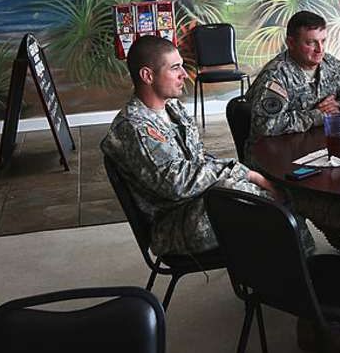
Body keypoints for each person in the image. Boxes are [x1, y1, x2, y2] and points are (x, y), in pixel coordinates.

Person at [100, 35, 282, 258]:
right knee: (256, 199)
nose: (184, 75)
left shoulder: (173, 108)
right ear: (147, 75)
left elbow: (199, 160)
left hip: (198, 204)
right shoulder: (134, 127)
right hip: (173, 225)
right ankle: (291, 277)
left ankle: (296, 270)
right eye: (175, 68)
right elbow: (177, 183)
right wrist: (243, 173)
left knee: (272, 196)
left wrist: (242, 177)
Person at [245, 10, 340, 255]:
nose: (319, 50)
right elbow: (266, 126)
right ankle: (320, 229)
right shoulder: (276, 76)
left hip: (315, 150)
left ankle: (328, 223)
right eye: (310, 43)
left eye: (323, 41)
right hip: (276, 162)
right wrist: (318, 115)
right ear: (291, 42)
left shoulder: (331, 65)